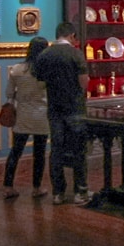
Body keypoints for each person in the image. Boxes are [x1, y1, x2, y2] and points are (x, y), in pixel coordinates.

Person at [34, 22, 90, 205]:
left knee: (56, 150)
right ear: (72, 35)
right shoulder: (75, 54)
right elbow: (83, 82)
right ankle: (80, 191)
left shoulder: (45, 55)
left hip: (54, 108)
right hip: (74, 108)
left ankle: (58, 192)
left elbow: (40, 80)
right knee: (78, 150)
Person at [2, 36, 51, 199]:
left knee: (16, 151)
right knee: (39, 153)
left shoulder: (17, 69)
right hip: (41, 115)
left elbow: (9, 93)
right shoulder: (47, 71)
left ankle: (8, 186)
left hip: (23, 114)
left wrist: (20, 94)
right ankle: (36, 188)